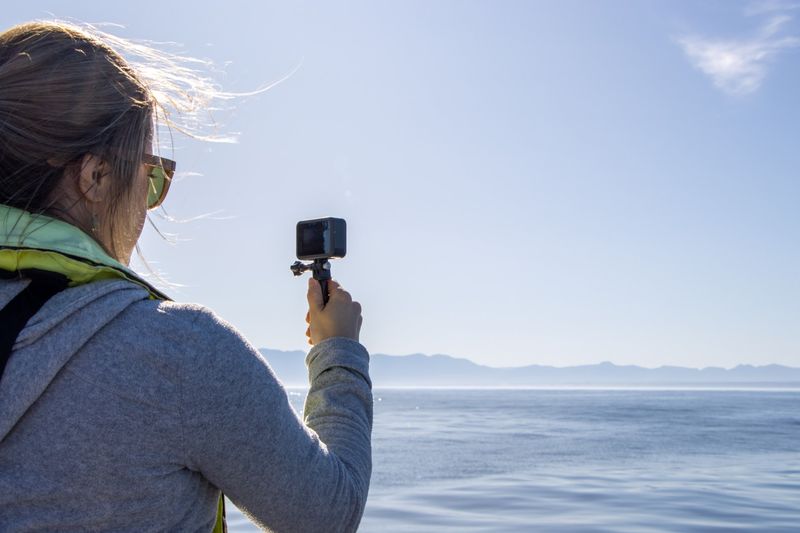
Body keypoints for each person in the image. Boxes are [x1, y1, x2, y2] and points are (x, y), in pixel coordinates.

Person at [0, 21, 372, 532]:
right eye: (151, 177)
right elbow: (329, 514)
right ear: (96, 178)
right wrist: (340, 354)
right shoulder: (178, 352)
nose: (148, 208)